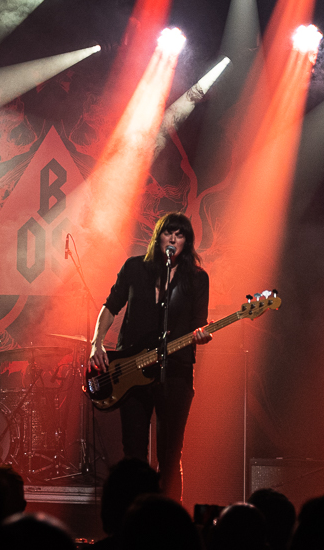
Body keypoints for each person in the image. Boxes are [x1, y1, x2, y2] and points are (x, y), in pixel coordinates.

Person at [87, 212, 211, 501]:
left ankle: (170, 522)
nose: (173, 238)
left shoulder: (196, 278)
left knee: (170, 454)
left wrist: (202, 335)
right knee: (134, 452)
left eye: (180, 234)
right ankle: (132, 521)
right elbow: (110, 306)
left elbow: (198, 324)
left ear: (186, 241)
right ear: (159, 236)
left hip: (176, 372)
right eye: (168, 232)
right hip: (131, 370)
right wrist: (96, 344)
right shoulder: (134, 268)